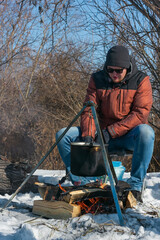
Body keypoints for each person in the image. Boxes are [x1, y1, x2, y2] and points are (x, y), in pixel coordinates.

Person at [56, 45, 155, 202]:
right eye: (110, 70)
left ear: (127, 67)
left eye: (118, 71)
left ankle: (135, 186)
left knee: (147, 132)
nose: (114, 74)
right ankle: (82, 182)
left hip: (128, 136)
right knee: (63, 135)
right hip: (99, 136)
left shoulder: (141, 80)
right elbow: (89, 109)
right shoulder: (97, 79)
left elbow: (140, 113)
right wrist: (88, 135)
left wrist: (111, 132)